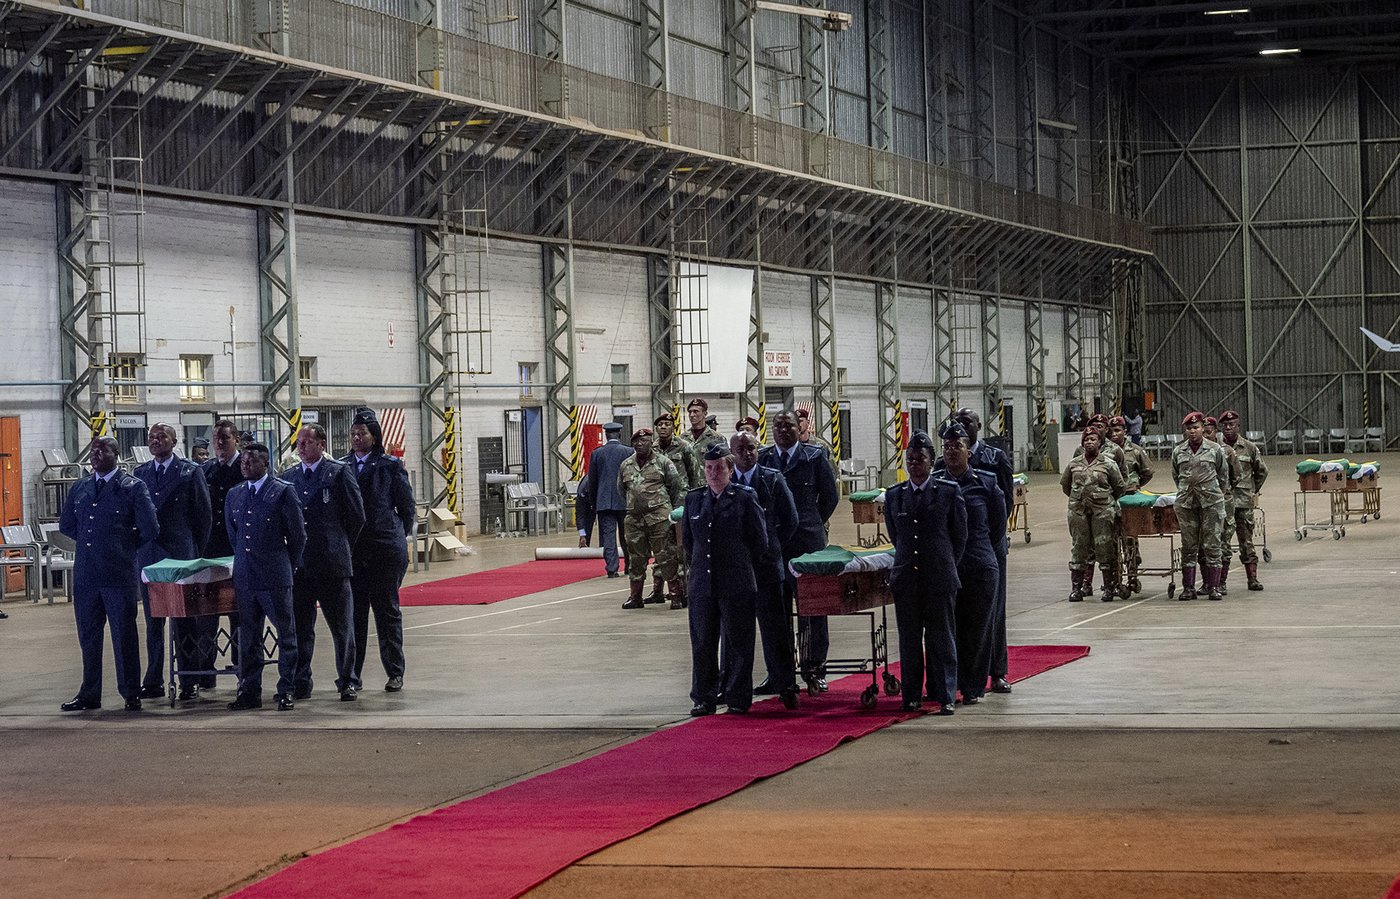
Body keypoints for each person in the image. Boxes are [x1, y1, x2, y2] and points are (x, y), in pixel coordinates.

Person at [58, 436, 159, 712]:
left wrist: (121, 545)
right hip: (87, 575)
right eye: (93, 451)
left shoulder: (132, 488)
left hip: (118, 574)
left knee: (124, 634)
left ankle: (130, 692)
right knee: (88, 636)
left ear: (116, 454)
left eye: (102, 450)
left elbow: (150, 529)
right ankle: (89, 692)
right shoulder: (81, 487)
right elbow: (67, 524)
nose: (96, 455)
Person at [680, 443, 769, 716]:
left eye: (719, 468)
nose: (713, 473)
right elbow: (689, 543)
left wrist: (739, 566)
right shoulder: (694, 499)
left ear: (730, 469)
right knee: (703, 642)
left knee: (738, 642)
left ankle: (737, 696)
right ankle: (704, 697)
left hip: (736, 583)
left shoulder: (744, 497)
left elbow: (759, 541)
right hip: (703, 585)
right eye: (709, 468)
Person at [280, 424, 366, 701]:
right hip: (302, 566)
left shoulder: (338, 473)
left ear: (321, 444)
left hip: (332, 563)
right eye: (299, 443)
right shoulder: (289, 477)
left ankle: (348, 679)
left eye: (307, 442)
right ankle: (300, 680)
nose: (302, 447)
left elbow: (357, 517)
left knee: (342, 627)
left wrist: (339, 545)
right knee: (301, 628)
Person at [883, 429, 966, 713]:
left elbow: (959, 537)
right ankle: (911, 696)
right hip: (907, 579)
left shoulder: (948, 491)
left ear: (932, 462)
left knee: (941, 638)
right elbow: (896, 535)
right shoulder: (895, 496)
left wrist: (945, 564)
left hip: (939, 577)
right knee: (909, 640)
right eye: (911, 459)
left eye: (920, 459)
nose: (915, 464)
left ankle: (945, 696)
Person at [757, 409, 840, 693]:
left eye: (788, 425)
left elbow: (831, 497)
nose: (782, 430)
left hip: (807, 545)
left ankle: (814, 670)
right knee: (775, 614)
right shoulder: (765, 458)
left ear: (799, 427)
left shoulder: (814, 457)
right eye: (777, 426)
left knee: (812, 611)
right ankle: (779, 674)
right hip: (776, 546)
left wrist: (811, 520)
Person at [935, 407, 1015, 694]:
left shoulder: (996, 459)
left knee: (993, 613)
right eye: (957, 422)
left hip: (989, 549)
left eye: (967, 422)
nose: (962, 426)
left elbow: (1004, 506)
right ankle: (958, 675)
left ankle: (998, 671)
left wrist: (990, 543)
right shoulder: (941, 463)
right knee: (957, 614)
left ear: (979, 426)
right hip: (955, 552)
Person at [133, 422, 212, 701]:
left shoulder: (190, 472)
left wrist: (194, 553)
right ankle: (153, 678)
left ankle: (188, 677)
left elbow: (203, 517)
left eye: (161, 436)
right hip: (151, 557)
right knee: (154, 621)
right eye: (152, 437)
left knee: (183, 620)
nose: (156, 441)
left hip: (181, 556)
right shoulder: (140, 474)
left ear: (174, 441)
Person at [226, 443, 306, 711]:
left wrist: (288, 565)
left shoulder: (282, 491)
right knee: (248, 637)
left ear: (265, 464)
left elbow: (297, 536)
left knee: (286, 634)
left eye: (251, 462)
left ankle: (287, 689)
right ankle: (249, 691)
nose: (245, 466)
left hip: (274, 575)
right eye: (243, 462)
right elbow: (234, 534)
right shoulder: (235, 494)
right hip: (246, 577)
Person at [343, 407, 416, 692]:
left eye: (362, 433)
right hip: (355, 552)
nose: (357, 438)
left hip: (384, 550)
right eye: (353, 434)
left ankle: (395, 672)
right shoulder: (343, 467)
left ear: (374, 436)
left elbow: (407, 509)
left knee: (387, 613)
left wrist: (394, 534)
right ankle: (352, 676)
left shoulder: (389, 466)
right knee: (355, 617)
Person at [730, 431, 799, 710]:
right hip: (735, 570)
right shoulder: (725, 480)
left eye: (752, 448)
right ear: (731, 453)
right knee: (735, 633)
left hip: (768, 567)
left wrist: (771, 545)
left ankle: (785, 685)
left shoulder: (772, 479)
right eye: (741, 449)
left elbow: (791, 519)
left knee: (775, 631)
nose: (748, 453)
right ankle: (735, 691)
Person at [617, 428, 686, 610]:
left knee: (667, 557)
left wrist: (662, 506)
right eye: (637, 442)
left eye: (645, 441)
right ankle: (635, 597)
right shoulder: (626, 465)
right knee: (636, 559)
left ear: (651, 443)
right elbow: (621, 489)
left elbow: (675, 486)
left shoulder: (664, 462)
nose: (641, 444)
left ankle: (675, 595)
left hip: (659, 518)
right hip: (634, 520)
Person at [200, 418, 244, 686]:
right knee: (206, 615)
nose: (219, 443)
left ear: (235, 439)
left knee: (239, 614)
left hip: (237, 550)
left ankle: (242, 668)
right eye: (216, 438)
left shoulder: (246, 467)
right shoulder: (206, 471)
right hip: (211, 551)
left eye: (225, 438)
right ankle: (206, 673)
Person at [1061, 427, 1126, 602]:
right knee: (1079, 547)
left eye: (1093, 439)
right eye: (1086, 439)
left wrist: (1102, 500)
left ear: (1100, 443)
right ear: (1082, 443)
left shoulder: (1108, 463)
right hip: (1078, 511)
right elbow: (1066, 486)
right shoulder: (1074, 463)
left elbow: (1119, 487)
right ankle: (1077, 588)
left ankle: (1108, 588)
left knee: (1104, 546)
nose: (1089, 442)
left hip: (1102, 511)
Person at [1171, 411, 1229, 601]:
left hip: (1211, 503)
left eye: (1196, 428)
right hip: (1187, 504)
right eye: (1189, 428)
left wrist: (1213, 493)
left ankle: (1213, 587)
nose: (1193, 431)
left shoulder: (1214, 449)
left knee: (1212, 545)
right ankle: (1189, 588)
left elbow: (1223, 476)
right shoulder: (1179, 451)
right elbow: (1176, 475)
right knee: (1188, 546)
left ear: (1203, 428)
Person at [1218, 410, 1268, 592]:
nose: (1228, 428)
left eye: (1232, 425)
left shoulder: (1249, 448)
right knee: (1223, 542)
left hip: (1244, 503)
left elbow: (1262, 471)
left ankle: (1252, 579)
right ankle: (1221, 582)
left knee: (1246, 542)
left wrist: (1253, 490)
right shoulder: (1217, 449)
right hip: (1225, 502)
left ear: (1238, 426)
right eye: (1225, 425)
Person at [580, 421, 633, 578]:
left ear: (606, 434)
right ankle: (630, 565)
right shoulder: (629, 452)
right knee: (627, 536)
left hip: (604, 502)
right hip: (624, 501)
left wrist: (594, 502)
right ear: (619, 434)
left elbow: (593, 481)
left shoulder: (597, 453)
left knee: (608, 536)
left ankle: (612, 568)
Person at [1109, 414, 1154, 589]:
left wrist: (1135, 486)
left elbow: (1148, 472)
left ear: (1125, 432)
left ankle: (1133, 575)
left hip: (1130, 500)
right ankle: (1115, 578)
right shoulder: (1105, 452)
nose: (1114, 434)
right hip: (1112, 499)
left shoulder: (1135, 450)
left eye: (1118, 430)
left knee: (1130, 539)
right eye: (1111, 431)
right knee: (1112, 539)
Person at [685, 398, 725, 476]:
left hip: (709, 484)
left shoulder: (717, 438)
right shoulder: (682, 438)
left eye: (696, 411)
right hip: (688, 487)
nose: (692, 415)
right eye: (690, 412)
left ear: (705, 413)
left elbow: (724, 464)